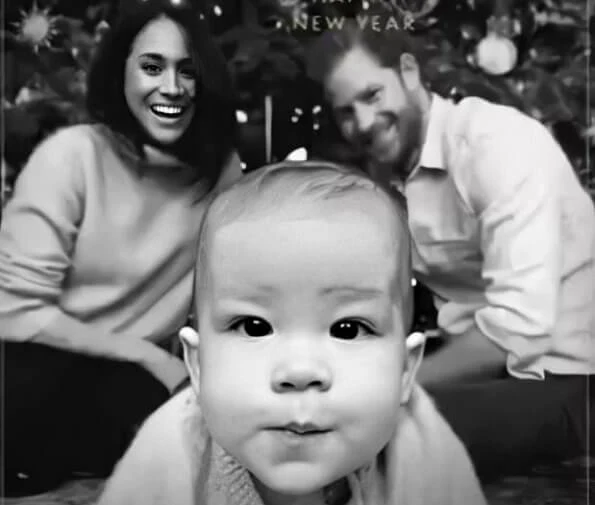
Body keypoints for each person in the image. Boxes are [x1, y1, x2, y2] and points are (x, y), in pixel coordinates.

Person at [96, 160, 487, 505]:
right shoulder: (167, 460)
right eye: (254, 326)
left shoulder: (423, 454)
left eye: (348, 329)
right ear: (197, 365)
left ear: (405, 370)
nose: (300, 371)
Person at [305, 19, 595, 480]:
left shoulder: (494, 145)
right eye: (344, 112)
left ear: (409, 72)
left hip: (568, 380)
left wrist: (390, 386)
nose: (361, 123)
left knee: (379, 436)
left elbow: (517, 333)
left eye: (373, 95)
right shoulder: (390, 177)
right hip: (494, 374)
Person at [0, 0, 242, 496]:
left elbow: (232, 292)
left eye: (188, 71)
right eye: (152, 67)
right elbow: (12, 313)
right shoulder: (72, 156)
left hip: (130, 388)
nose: (171, 87)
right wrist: (146, 356)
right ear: (121, 75)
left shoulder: (221, 173)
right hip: (36, 364)